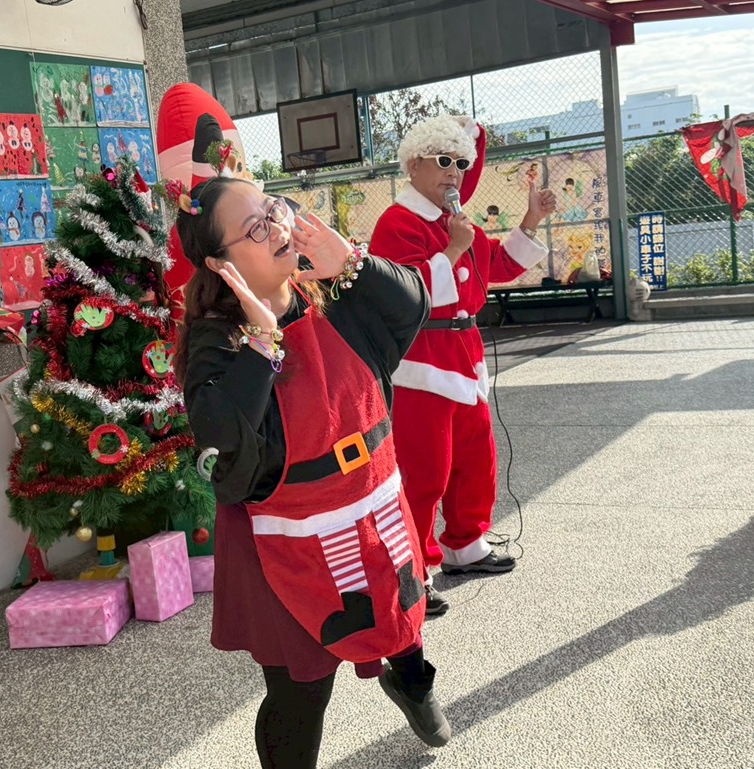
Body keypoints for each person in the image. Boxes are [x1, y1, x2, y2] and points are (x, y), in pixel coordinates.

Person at [175, 174, 450, 768]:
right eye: (254, 227)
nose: (276, 226)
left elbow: (414, 308)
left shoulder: (329, 289)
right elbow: (222, 431)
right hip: (285, 536)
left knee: (401, 612)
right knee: (302, 689)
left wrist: (352, 263)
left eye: (273, 209)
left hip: (372, 502)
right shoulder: (217, 339)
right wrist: (263, 343)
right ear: (221, 264)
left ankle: (411, 682)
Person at [369, 115, 556, 615]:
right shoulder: (398, 222)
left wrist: (530, 219)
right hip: (422, 359)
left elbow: (498, 265)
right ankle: (413, 569)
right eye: (443, 161)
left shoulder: (451, 220)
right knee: (423, 472)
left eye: (461, 164)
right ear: (414, 165)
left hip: (464, 355)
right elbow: (401, 293)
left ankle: (465, 544)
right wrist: (454, 247)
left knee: (476, 459)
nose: (454, 172)